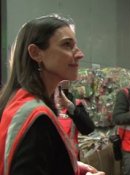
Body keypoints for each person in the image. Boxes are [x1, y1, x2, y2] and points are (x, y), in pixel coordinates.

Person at [0, 14, 104, 175]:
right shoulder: (36, 117)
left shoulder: (18, 101)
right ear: (36, 53)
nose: (79, 54)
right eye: (67, 45)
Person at [55, 80, 95, 158]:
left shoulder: (76, 104)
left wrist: (70, 106)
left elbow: (88, 128)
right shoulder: (44, 104)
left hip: (72, 157)